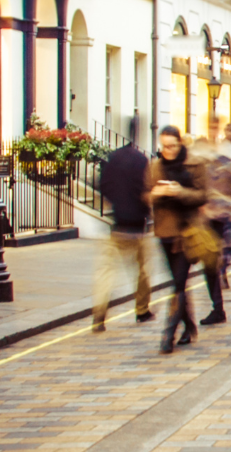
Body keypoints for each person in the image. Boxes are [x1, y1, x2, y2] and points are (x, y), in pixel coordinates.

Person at [149, 126, 210, 354]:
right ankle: (190, 326)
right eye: (164, 147)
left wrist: (179, 192)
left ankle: (168, 334)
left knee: (177, 283)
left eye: (172, 146)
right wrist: (155, 194)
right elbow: (145, 194)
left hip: (187, 233)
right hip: (165, 233)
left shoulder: (195, 164)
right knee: (179, 284)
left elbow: (203, 194)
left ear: (180, 144)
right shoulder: (155, 166)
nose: (168, 151)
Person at [93, 118, 155, 332]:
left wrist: (117, 202)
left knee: (107, 273)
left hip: (117, 224)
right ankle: (142, 310)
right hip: (137, 226)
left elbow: (103, 185)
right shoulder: (141, 160)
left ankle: (99, 315)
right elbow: (146, 190)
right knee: (142, 271)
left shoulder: (113, 158)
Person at [192, 115, 231, 325]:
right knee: (210, 264)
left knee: (228, 258)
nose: (213, 130)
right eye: (210, 126)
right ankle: (217, 308)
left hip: (227, 216)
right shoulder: (200, 152)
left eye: (216, 127)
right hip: (208, 217)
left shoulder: (229, 153)